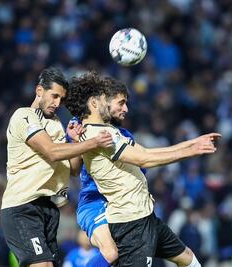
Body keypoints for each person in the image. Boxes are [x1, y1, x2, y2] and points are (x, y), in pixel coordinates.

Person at [65, 72, 221, 267]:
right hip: (123, 215)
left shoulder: (113, 132)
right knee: (111, 253)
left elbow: (146, 152)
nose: (125, 108)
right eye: (111, 100)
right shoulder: (96, 135)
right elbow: (144, 159)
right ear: (94, 103)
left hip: (143, 212)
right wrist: (192, 151)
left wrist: (193, 143)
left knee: (188, 258)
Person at [0, 67, 114, 267]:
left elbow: (74, 169)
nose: (57, 103)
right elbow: (51, 151)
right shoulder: (24, 116)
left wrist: (74, 141)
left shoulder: (56, 124)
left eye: (61, 99)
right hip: (22, 206)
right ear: (39, 90)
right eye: (54, 96)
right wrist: (92, 143)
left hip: (48, 208)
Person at [73, 77, 147, 267]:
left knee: (128, 255)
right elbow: (73, 168)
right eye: (120, 103)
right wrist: (75, 140)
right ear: (104, 101)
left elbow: (143, 163)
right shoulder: (82, 127)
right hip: (95, 202)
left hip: (122, 205)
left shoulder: (124, 136)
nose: (126, 109)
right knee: (111, 253)